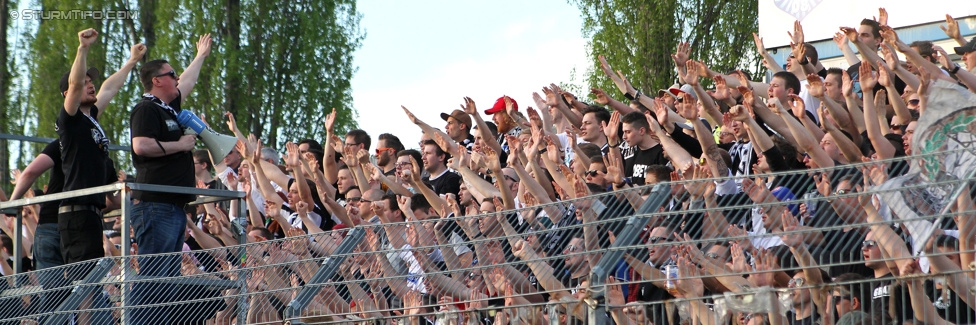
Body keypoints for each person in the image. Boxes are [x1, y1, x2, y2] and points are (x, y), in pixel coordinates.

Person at [128, 33, 212, 324]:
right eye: (171, 74)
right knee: (155, 276)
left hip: (171, 205)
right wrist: (180, 145)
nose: (176, 78)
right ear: (156, 80)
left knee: (166, 277)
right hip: (156, 204)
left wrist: (200, 56)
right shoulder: (146, 108)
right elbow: (140, 145)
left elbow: (185, 84)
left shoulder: (168, 108)